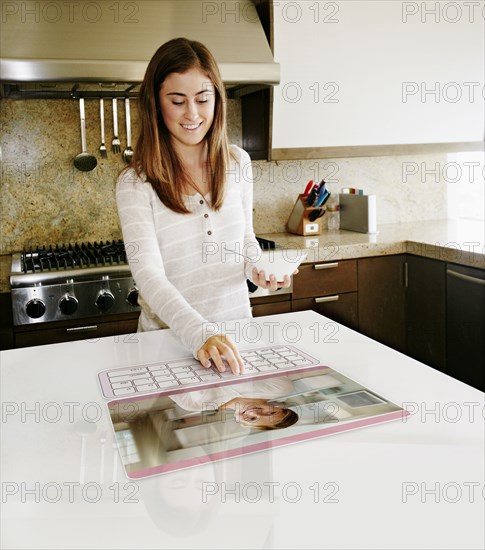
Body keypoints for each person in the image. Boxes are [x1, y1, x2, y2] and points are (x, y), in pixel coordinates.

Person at [116, 37, 294, 375]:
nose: (192, 114)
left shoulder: (238, 162)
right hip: (167, 346)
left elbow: (245, 240)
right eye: (177, 101)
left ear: (217, 99)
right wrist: (200, 333)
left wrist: (258, 269)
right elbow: (148, 275)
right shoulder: (135, 182)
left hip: (236, 338)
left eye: (202, 99)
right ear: (156, 103)